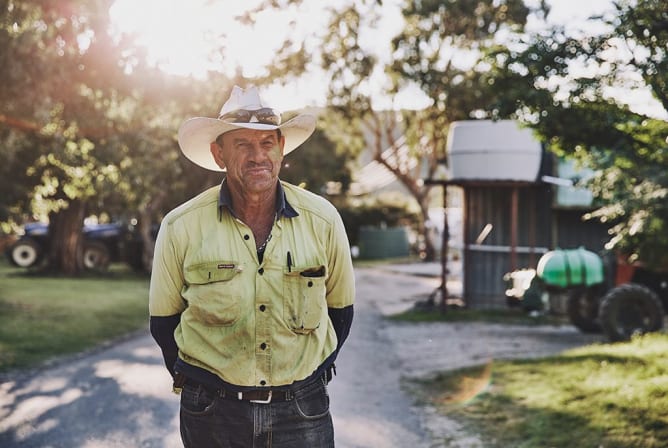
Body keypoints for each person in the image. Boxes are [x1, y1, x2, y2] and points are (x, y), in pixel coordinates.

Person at [149, 85, 355, 447]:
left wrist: (305, 378)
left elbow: (341, 311)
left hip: (302, 410)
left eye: (266, 144)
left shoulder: (322, 220)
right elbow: (164, 324)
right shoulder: (181, 226)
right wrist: (208, 386)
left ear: (281, 148)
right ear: (219, 154)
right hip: (213, 413)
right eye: (242, 144)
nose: (257, 156)